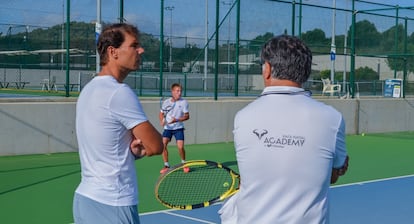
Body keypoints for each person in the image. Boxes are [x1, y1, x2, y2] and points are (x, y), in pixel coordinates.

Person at [219, 35, 349, 224]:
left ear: (268, 70)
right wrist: (338, 168)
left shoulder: (242, 117)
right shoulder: (332, 119)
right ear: (305, 71)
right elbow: (331, 176)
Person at [73, 23, 163, 224]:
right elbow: (156, 146)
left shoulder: (87, 90)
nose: (141, 50)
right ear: (113, 52)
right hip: (112, 204)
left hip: (85, 200)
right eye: (134, 46)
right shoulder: (119, 92)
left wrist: (131, 152)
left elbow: (104, 144)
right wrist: (148, 145)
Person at [159, 83, 190, 174]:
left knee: (180, 147)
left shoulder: (184, 102)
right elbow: (161, 114)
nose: (179, 93)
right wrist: (162, 120)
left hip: (178, 128)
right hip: (168, 128)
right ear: (172, 92)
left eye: (180, 91)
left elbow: (187, 116)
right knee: (163, 145)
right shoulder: (166, 102)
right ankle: (166, 165)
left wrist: (176, 120)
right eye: (177, 91)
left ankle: (184, 163)